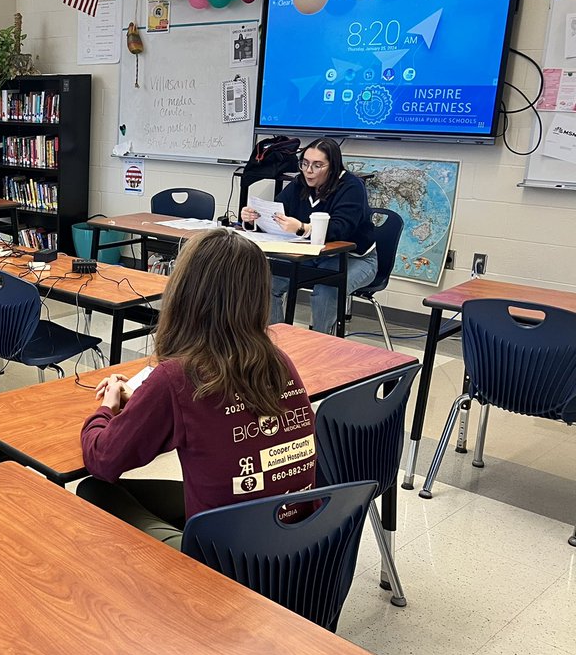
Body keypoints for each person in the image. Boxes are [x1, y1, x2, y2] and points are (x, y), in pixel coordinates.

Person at [78, 228, 317, 549]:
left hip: (230, 568)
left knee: (94, 490)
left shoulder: (178, 377)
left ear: (185, 292)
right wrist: (146, 405)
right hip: (297, 551)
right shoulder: (278, 360)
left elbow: (103, 460)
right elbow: (214, 423)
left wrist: (107, 407)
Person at [242, 136, 377, 334]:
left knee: (326, 290)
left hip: (354, 258)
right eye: (304, 164)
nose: (308, 171)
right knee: (265, 283)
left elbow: (340, 229)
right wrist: (253, 218)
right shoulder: (300, 183)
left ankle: (318, 346)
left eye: (317, 165)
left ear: (333, 166)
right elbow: (277, 213)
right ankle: (278, 343)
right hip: (311, 255)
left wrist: (302, 228)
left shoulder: (352, 187)